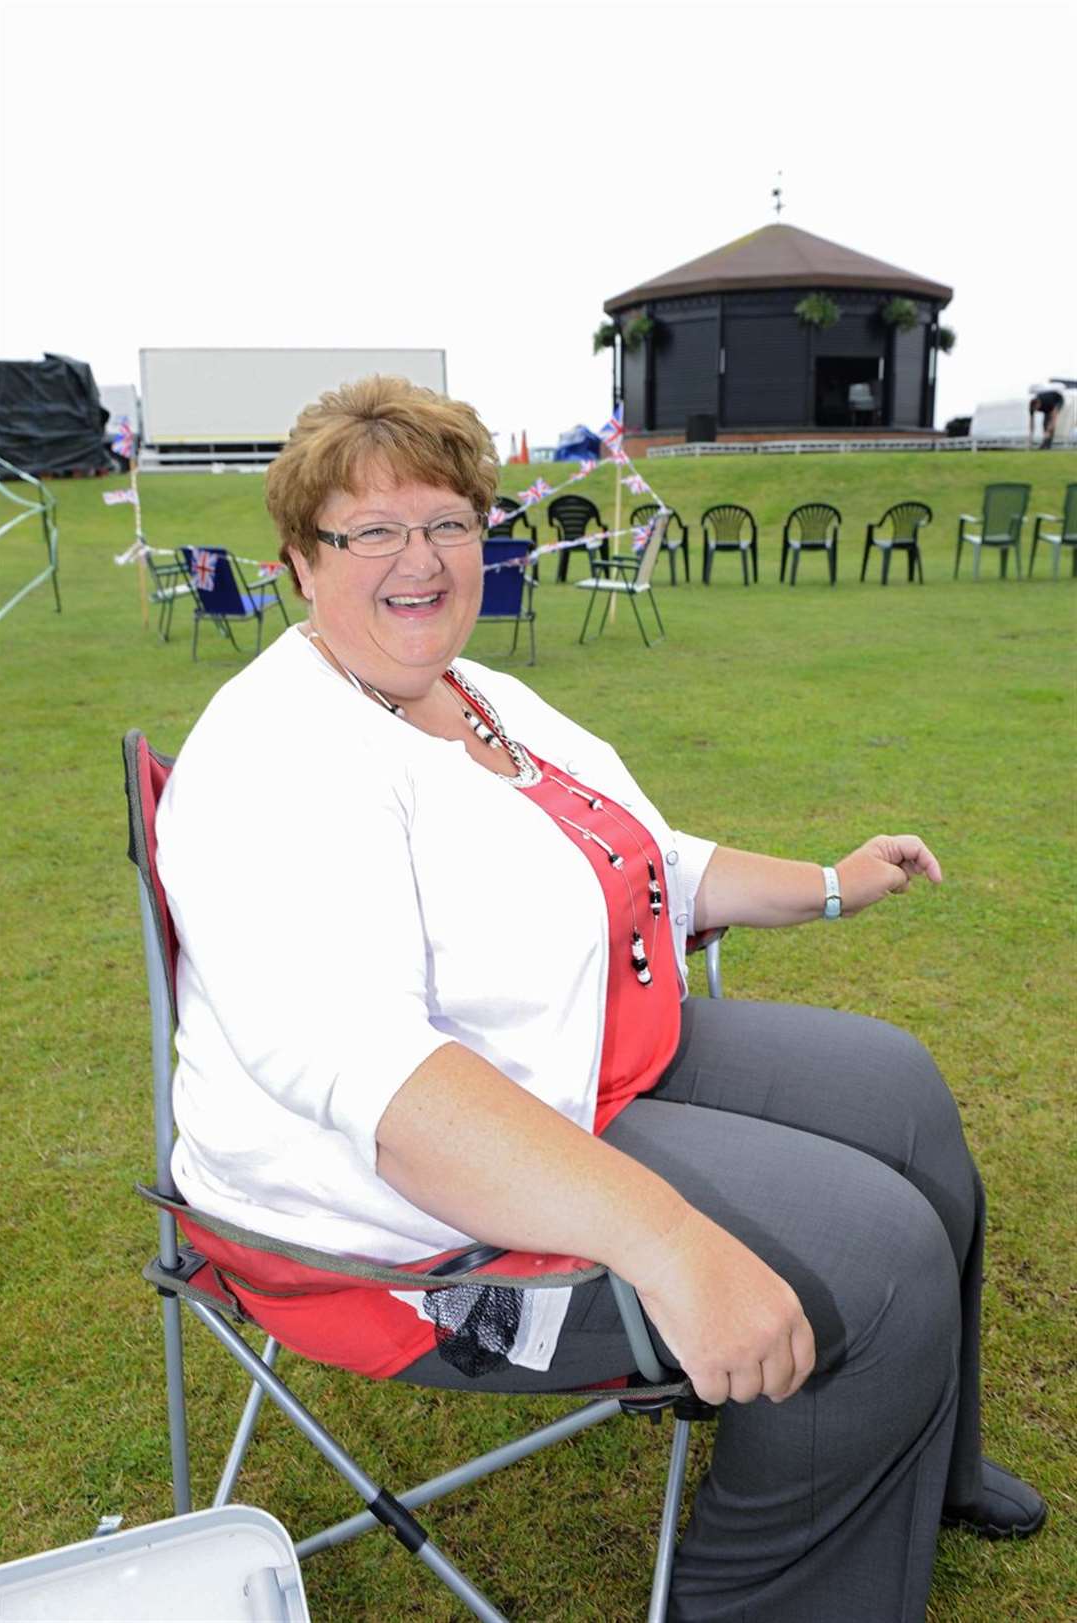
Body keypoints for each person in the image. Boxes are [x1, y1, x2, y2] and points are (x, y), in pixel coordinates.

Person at [156, 376, 1044, 1622]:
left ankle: (914, 1458)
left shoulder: (478, 695)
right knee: (873, 1261)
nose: (419, 560)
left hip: (566, 1063)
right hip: (396, 1210)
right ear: (301, 563)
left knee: (897, 1094)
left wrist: (831, 887)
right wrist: (671, 1242)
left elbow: (648, 859)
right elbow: (384, 1083)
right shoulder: (278, 758)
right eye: (371, 532)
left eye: (449, 523)